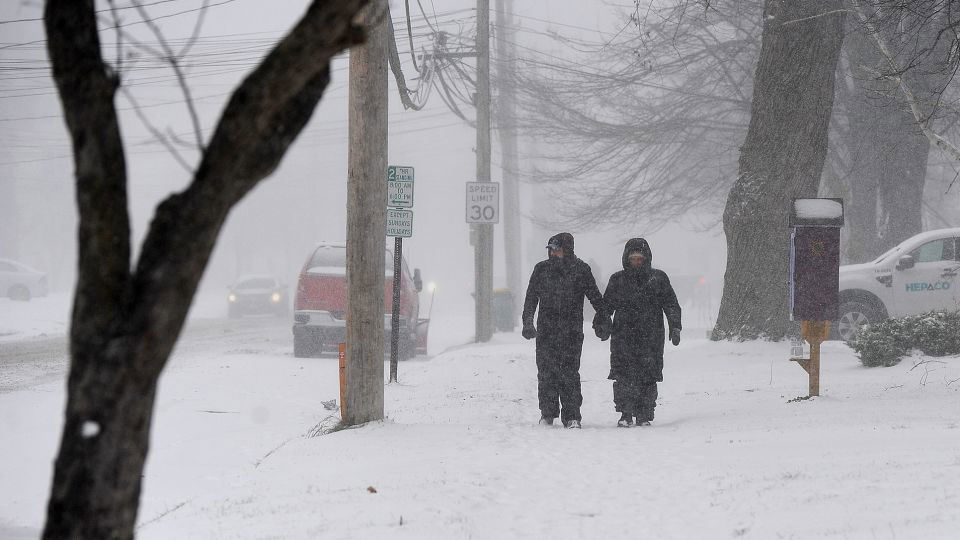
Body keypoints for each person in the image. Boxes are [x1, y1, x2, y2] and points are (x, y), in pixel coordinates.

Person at [522, 232, 605, 429]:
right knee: (546, 373)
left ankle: (572, 415)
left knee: (569, 373)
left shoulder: (581, 270)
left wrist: (603, 317)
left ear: (567, 250)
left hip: (571, 331)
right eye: (551, 250)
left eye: (557, 250)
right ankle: (547, 413)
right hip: (546, 331)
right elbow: (531, 298)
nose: (553, 254)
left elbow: (594, 296)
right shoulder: (541, 270)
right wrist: (527, 322)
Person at [596, 238, 681, 427]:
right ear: (627, 259)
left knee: (648, 375)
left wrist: (675, 326)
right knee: (623, 376)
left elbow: (671, 304)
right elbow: (606, 306)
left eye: (639, 258)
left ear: (646, 259)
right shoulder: (617, 279)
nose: (636, 262)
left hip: (651, 336)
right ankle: (625, 413)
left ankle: (644, 413)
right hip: (623, 335)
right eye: (633, 258)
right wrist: (601, 324)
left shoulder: (658, 278)